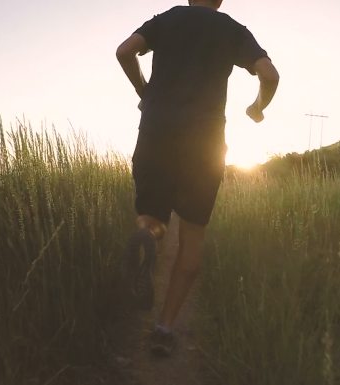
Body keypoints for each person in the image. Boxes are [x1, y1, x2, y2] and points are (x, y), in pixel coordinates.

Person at [116, 0, 279, 357]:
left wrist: (145, 90)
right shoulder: (232, 30)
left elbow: (125, 51)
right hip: (204, 148)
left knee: (153, 218)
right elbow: (270, 75)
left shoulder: (169, 18)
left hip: (156, 132)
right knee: (191, 237)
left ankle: (147, 236)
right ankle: (164, 328)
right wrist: (257, 107)